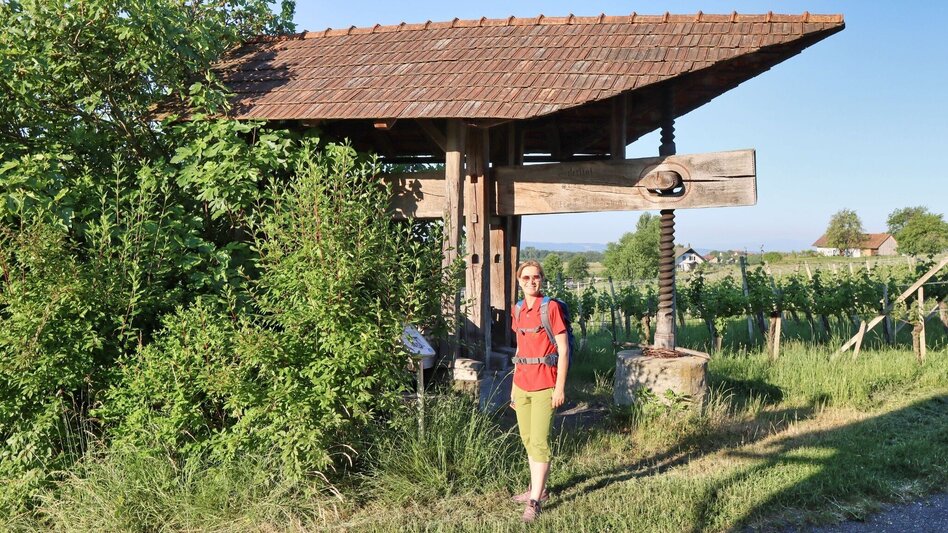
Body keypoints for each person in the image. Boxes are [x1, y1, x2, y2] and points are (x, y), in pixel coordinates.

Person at [508, 260, 569, 523]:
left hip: (546, 385)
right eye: (526, 278)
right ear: (519, 282)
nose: (531, 281)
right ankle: (538, 489)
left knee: (540, 442)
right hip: (522, 385)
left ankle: (534, 501)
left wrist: (560, 387)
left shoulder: (550, 307)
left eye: (536, 277)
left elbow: (564, 350)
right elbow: (520, 350)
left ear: (542, 279)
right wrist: (513, 388)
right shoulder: (518, 309)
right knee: (527, 439)